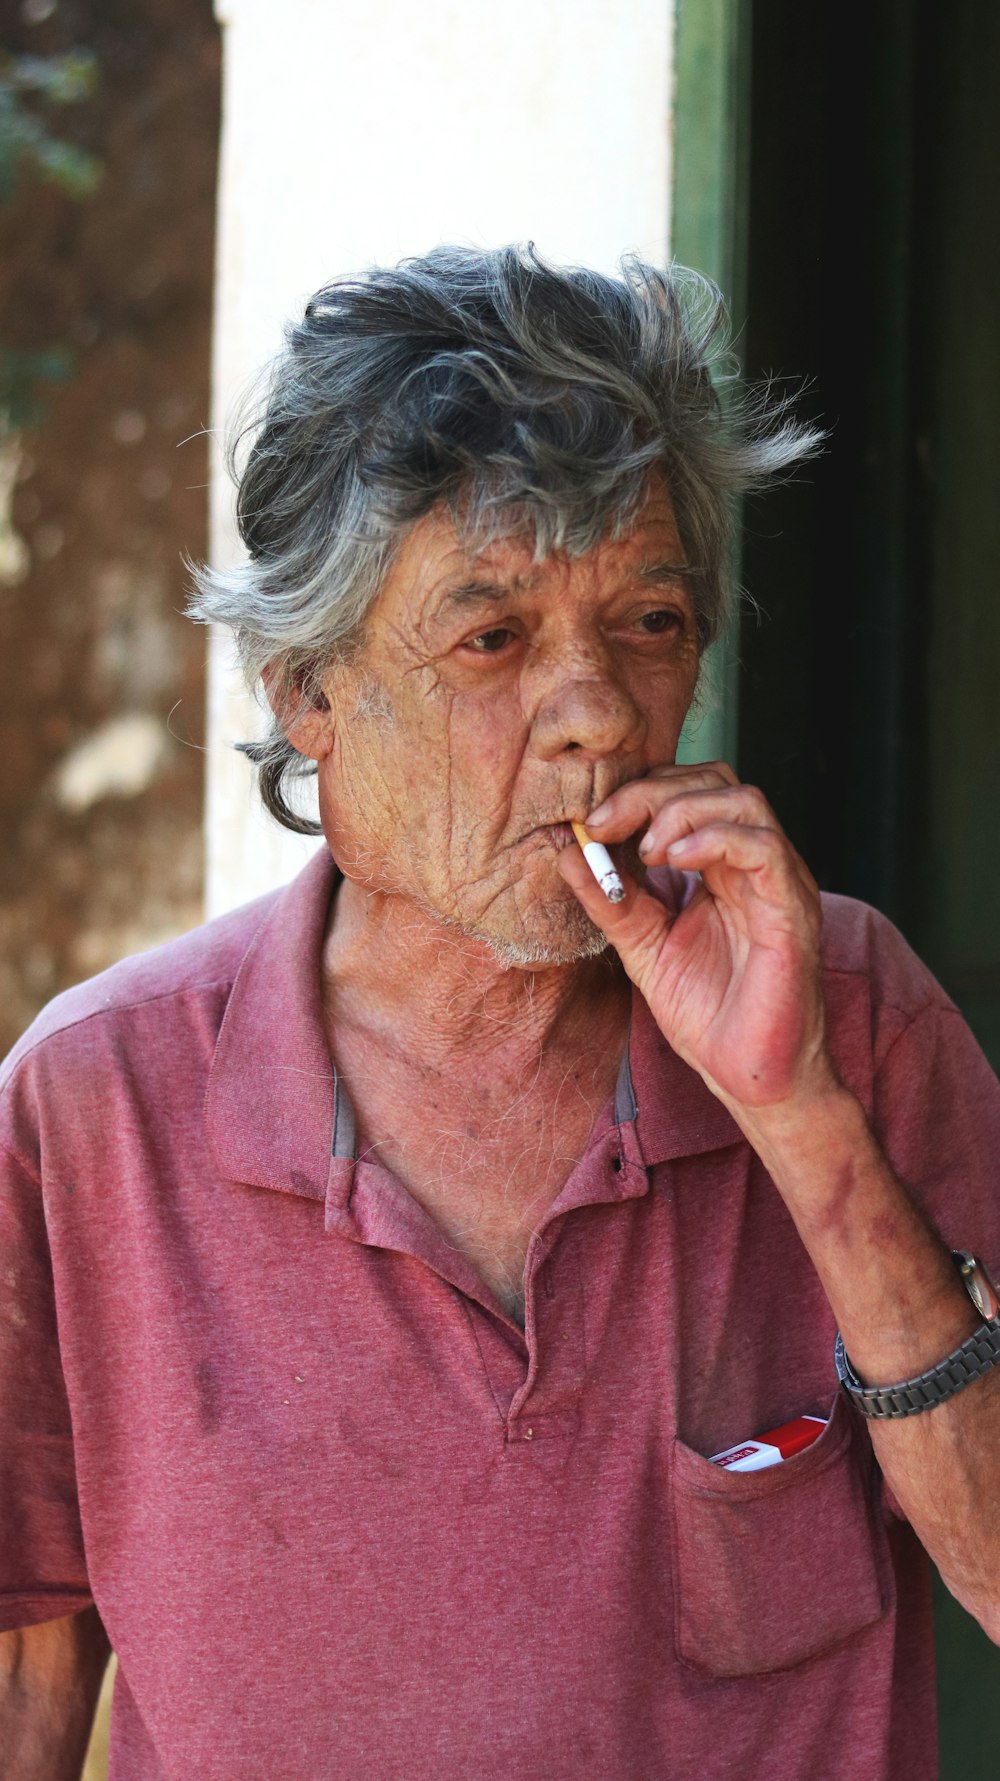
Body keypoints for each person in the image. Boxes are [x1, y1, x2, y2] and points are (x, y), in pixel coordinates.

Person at [1, 246, 998, 1781]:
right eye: (494, 638)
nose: (597, 710)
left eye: (651, 622)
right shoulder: (94, 1108)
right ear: (310, 695)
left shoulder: (850, 1017)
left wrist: (799, 1114)